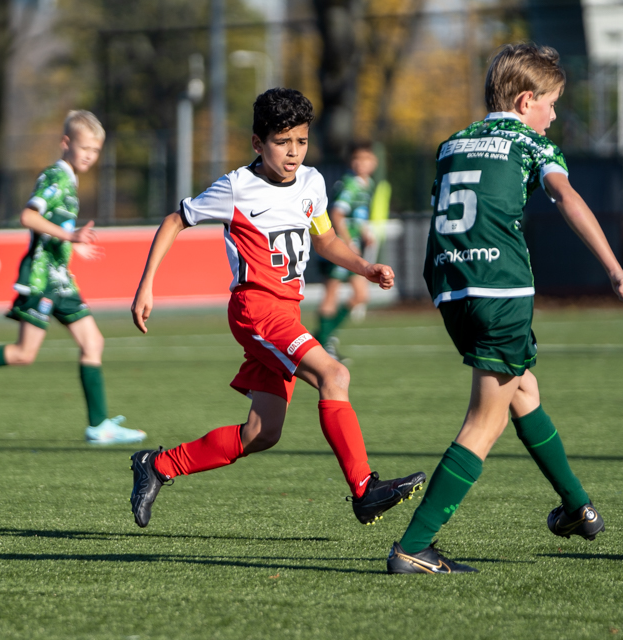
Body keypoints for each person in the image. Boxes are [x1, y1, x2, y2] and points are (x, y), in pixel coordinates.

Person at [386, 44, 623, 574]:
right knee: (485, 422)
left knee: (523, 391)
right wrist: (615, 269)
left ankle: (578, 510)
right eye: (551, 104)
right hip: (500, 290)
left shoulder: (452, 143)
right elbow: (566, 197)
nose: (554, 116)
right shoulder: (530, 142)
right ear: (527, 101)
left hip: (451, 288)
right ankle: (413, 546)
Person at [128, 88, 425, 529]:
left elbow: (325, 238)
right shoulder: (236, 188)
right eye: (282, 142)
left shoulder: (312, 182)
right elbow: (176, 220)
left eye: (301, 141)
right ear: (257, 143)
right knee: (334, 375)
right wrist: (146, 285)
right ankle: (364, 490)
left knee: (262, 432)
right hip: (255, 309)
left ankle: (158, 465)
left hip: (287, 312)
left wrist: (364, 268)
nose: (293, 153)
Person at [0, 110, 146, 446]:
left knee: (92, 342)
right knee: (24, 353)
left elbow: (52, 228)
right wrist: (70, 237)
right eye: (84, 148)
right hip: (41, 279)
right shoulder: (56, 176)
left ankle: (99, 426)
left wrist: (71, 243)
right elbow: (28, 216)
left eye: (95, 151)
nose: (89, 156)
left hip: (60, 278)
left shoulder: (70, 180)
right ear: (66, 143)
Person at [314, 141, 379, 361]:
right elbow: (337, 214)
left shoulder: (367, 184)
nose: (362, 163)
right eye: (357, 159)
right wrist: (349, 242)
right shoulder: (350, 184)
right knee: (331, 293)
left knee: (361, 295)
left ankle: (322, 337)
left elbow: (356, 216)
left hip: (353, 247)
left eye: (366, 158)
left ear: (374, 162)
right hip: (339, 248)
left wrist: (365, 232)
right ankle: (323, 342)